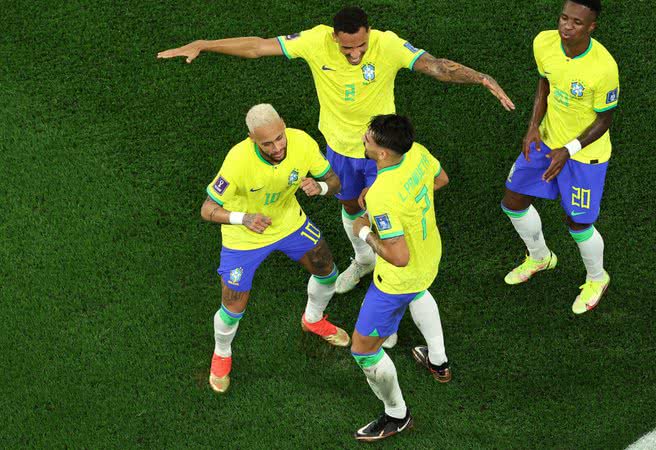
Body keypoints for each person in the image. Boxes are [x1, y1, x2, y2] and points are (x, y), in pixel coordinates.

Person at [159, 6, 514, 295]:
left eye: (361, 46)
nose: (355, 54)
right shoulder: (315, 41)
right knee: (349, 205)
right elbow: (257, 46)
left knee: (386, 213)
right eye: (347, 49)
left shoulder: (388, 45)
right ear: (334, 38)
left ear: (369, 34)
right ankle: (363, 260)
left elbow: (437, 66)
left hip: (381, 153)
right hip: (339, 151)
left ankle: (393, 285)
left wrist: (482, 78)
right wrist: (205, 43)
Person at [200, 104, 348, 394]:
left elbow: (335, 181)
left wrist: (320, 188)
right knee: (233, 305)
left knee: (327, 270)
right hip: (243, 237)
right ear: (251, 138)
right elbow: (208, 209)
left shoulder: (302, 142)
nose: (278, 146)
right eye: (267, 143)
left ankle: (313, 319)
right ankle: (222, 353)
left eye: (280, 137)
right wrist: (244, 219)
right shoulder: (237, 161)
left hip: (289, 222)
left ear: (283, 124)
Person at [502, 0, 618, 314]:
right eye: (564, 18)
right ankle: (540, 257)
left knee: (577, 222)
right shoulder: (544, 42)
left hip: (584, 155)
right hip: (546, 140)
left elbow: (604, 120)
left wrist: (569, 151)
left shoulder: (603, 67)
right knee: (513, 201)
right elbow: (545, 83)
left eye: (576, 23)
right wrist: (533, 127)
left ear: (591, 27)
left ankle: (597, 277)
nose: (566, 27)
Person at [349, 115, 450, 441]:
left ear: (382, 153)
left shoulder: (384, 196)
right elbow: (441, 180)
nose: (364, 140)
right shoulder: (418, 152)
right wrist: (387, 197)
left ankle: (397, 415)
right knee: (421, 291)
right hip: (429, 252)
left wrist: (365, 230)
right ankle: (438, 362)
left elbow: (398, 256)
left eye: (368, 139)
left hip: (398, 278)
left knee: (363, 350)